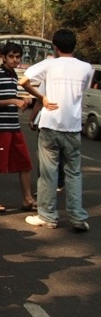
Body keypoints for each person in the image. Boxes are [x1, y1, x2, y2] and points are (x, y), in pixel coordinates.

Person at [20, 29, 93, 231]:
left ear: (55, 46)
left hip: (51, 124)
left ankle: (48, 215)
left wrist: (41, 97)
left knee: (48, 173)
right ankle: (77, 217)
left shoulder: (49, 64)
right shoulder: (86, 68)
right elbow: (82, 91)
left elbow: (23, 80)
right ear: (74, 46)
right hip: (73, 126)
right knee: (74, 173)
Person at [0, 42, 35, 210]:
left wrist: (22, 102)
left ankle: (27, 199)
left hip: (13, 126)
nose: (15, 60)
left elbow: (9, 98)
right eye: (12, 56)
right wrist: (13, 100)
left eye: (18, 57)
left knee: (24, 163)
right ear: (4, 57)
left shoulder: (14, 75)